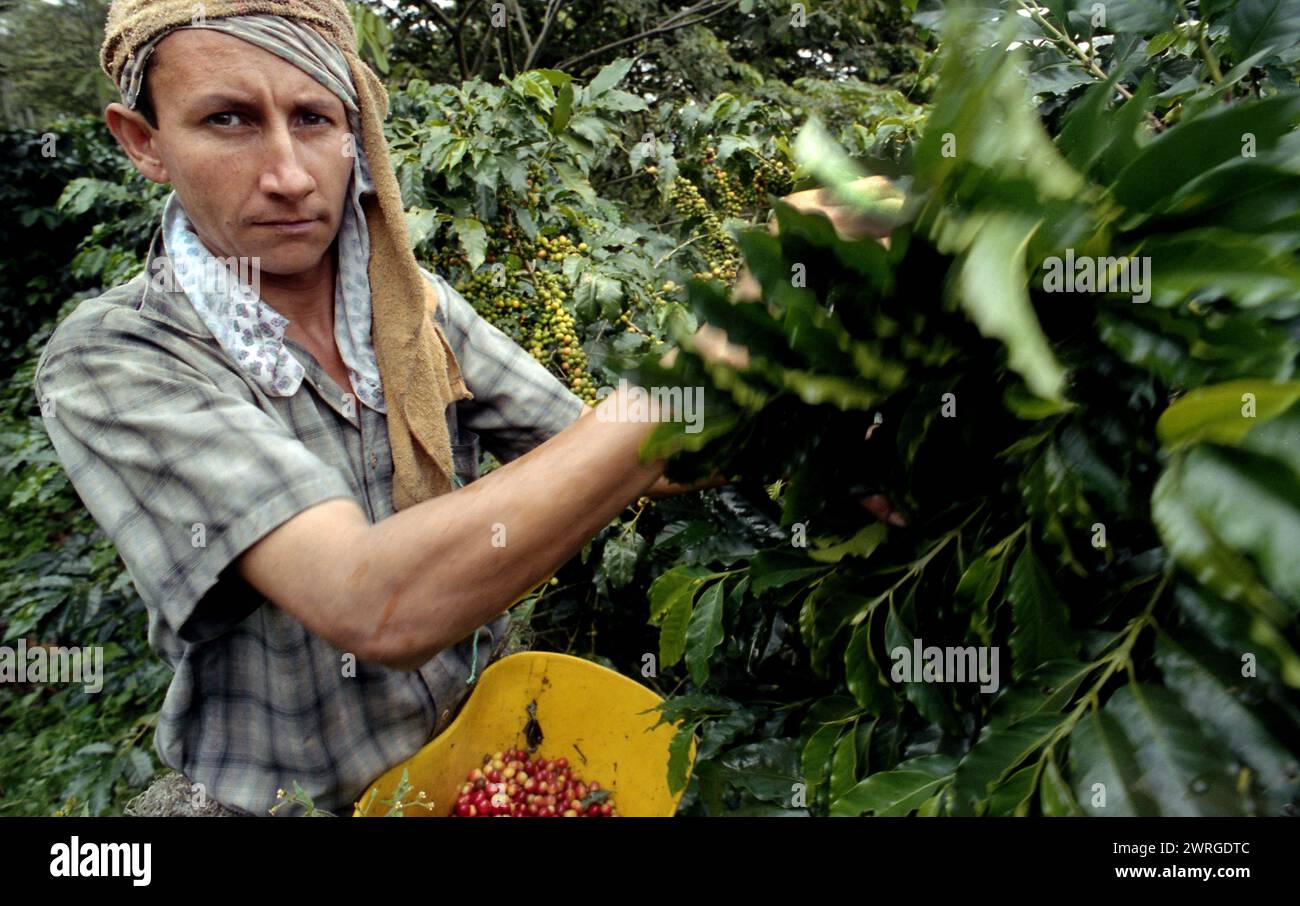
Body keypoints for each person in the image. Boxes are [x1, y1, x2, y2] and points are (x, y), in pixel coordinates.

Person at [36, 0, 893, 817]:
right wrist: (706, 354)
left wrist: (801, 407)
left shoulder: (412, 308)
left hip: (472, 752)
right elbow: (369, 602)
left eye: (314, 118)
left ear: (353, 130)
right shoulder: (117, 359)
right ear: (144, 142)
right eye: (227, 119)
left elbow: (610, 451)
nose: (289, 176)